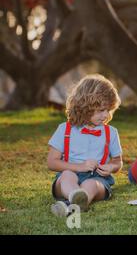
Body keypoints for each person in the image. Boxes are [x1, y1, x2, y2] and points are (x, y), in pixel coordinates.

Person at [47, 74, 123, 216]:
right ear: (84, 106)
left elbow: (118, 162)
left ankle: (71, 205)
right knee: (68, 176)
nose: (106, 115)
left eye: (109, 110)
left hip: (97, 179)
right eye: (101, 110)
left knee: (92, 185)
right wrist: (79, 167)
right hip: (67, 179)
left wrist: (111, 167)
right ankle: (75, 198)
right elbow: (51, 162)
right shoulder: (65, 130)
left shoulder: (110, 132)